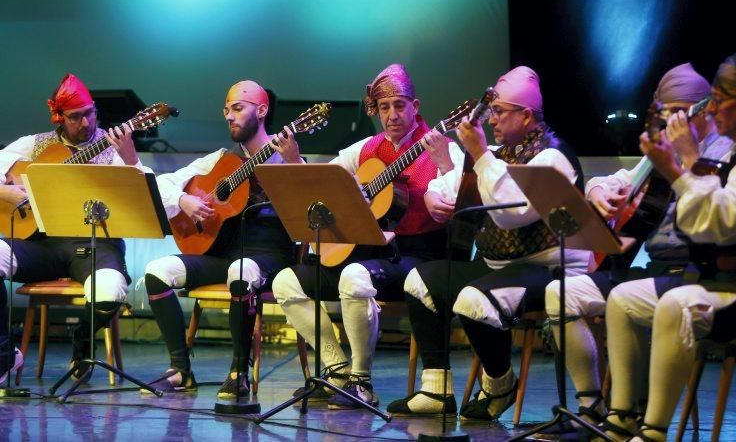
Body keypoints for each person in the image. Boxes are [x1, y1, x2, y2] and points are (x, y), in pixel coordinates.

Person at [601, 48, 736, 442]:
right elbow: (701, 223)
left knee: (680, 304)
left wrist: (683, 163)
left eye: (718, 102)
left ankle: (653, 431)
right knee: (623, 299)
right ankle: (621, 419)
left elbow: (721, 224)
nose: (709, 112)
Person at [538, 63, 733, 434]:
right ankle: (591, 405)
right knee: (560, 292)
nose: (670, 121)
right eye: (665, 112)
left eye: (679, 112)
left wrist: (685, 162)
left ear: (703, 108)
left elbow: (719, 210)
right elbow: (612, 179)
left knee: (626, 297)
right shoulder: (661, 150)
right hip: (654, 270)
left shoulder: (723, 150)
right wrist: (599, 194)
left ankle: (635, 416)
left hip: (696, 271)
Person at [387, 65, 590, 420]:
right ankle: (436, 390)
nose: (491, 119)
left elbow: (510, 213)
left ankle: (500, 384)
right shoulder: (499, 152)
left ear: (526, 116)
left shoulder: (551, 156)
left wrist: (481, 155)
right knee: (422, 280)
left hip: (547, 270)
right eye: (491, 110)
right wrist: (435, 197)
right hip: (497, 267)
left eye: (499, 112)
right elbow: (453, 183)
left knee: (473, 298)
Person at [271, 63, 462, 409]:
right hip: (371, 255)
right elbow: (322, 186)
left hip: (419, 256)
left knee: (354, 276)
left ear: (415, 107)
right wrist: (295, 159)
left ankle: (361, 381)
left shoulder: (440, 147)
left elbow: (460, 195)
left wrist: (446, 174)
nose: (392, 115)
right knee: (286, 281)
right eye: (385, 107)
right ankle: (337, 369)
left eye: (400, 105)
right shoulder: (365, 149)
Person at [142, 80, 301, 398]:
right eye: (226, 110)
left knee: (240, 271)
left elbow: (308, 210)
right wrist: (184, 201)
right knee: (156, 273)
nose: (229, 116)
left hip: (268, 255)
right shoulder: (218, 161)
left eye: (238, 109)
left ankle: (238, 371)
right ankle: (180, 370)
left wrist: (295, 162)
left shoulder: (286, 157)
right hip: (222, 252)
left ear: (262, 110)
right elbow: (160, 184)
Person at [0, 73, 147, 384]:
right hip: (42, 245)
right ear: (59, 117)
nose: (85, 123)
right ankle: (5, 355)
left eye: (90, 113)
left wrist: (131, 157)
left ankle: (81, 339)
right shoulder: (34, 145)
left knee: (110, 290)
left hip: (95, 243)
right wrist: (6, 192)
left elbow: (145, 196)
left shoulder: (114, 145)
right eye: (75, 117)